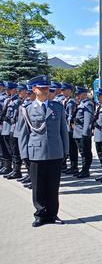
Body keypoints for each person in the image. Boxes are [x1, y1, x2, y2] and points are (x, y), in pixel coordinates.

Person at [16, 75, 69, 227]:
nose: (46, 91)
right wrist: (24, 154)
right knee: (38, 187)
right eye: (42, 88)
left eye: (47, 88)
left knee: (53, 186)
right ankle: (40, 214)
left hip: (55, 152)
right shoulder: (26, 109)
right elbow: (23, 134)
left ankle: (53, 214)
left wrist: (65, 150)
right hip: (36, 153)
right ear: (34, 90)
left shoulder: (57, 107)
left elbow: (63, 131)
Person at [2, 82, 23, 180]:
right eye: (6, 89)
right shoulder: (8, 100)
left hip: (13, 129)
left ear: (15, 89)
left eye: (9, 89)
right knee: (8, 149)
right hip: (6, 129)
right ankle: (9, 167)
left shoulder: (17, 101)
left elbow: (14, 117)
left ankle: (16, 170)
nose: (7, 91)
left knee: (14, 151)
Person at [72, 86, 94, 178]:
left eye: (78, 94)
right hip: (77, 132)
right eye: (76, 94)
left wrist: (85, 133)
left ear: (84, 94)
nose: (76, 96)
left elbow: (87, 120)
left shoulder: (88, 104)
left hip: (82, 133)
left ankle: (85, 170)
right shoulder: (80, 104)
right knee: (82, 152)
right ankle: (83, 169)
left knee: (85, 152)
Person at [61, 83, 79, 174]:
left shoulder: (71, 102)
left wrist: (68, 126)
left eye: (64, 90)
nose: (62, 92)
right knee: (69, 148)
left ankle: (74, 166)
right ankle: (71, 166)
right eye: (62, 90)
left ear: (69, 91)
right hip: (66, 127)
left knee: (72, 148)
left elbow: (70, 116)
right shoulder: (64, 100)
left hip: (70, 128)